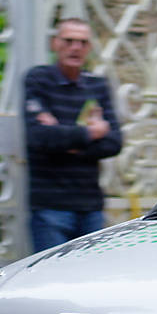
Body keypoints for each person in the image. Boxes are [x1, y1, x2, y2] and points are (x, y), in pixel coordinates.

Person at [24, 17, 124, 252]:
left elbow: (114, 143)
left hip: (90, 205)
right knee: (49, 281)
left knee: (87, 281)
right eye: (68, 40)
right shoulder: (39, 79)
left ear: (89, 48)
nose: (75, 47)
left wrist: (63, 136)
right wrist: (91, 132)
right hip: (50, 205)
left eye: (82, 42)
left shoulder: (96, 85)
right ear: (54, 43)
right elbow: (38, 137)